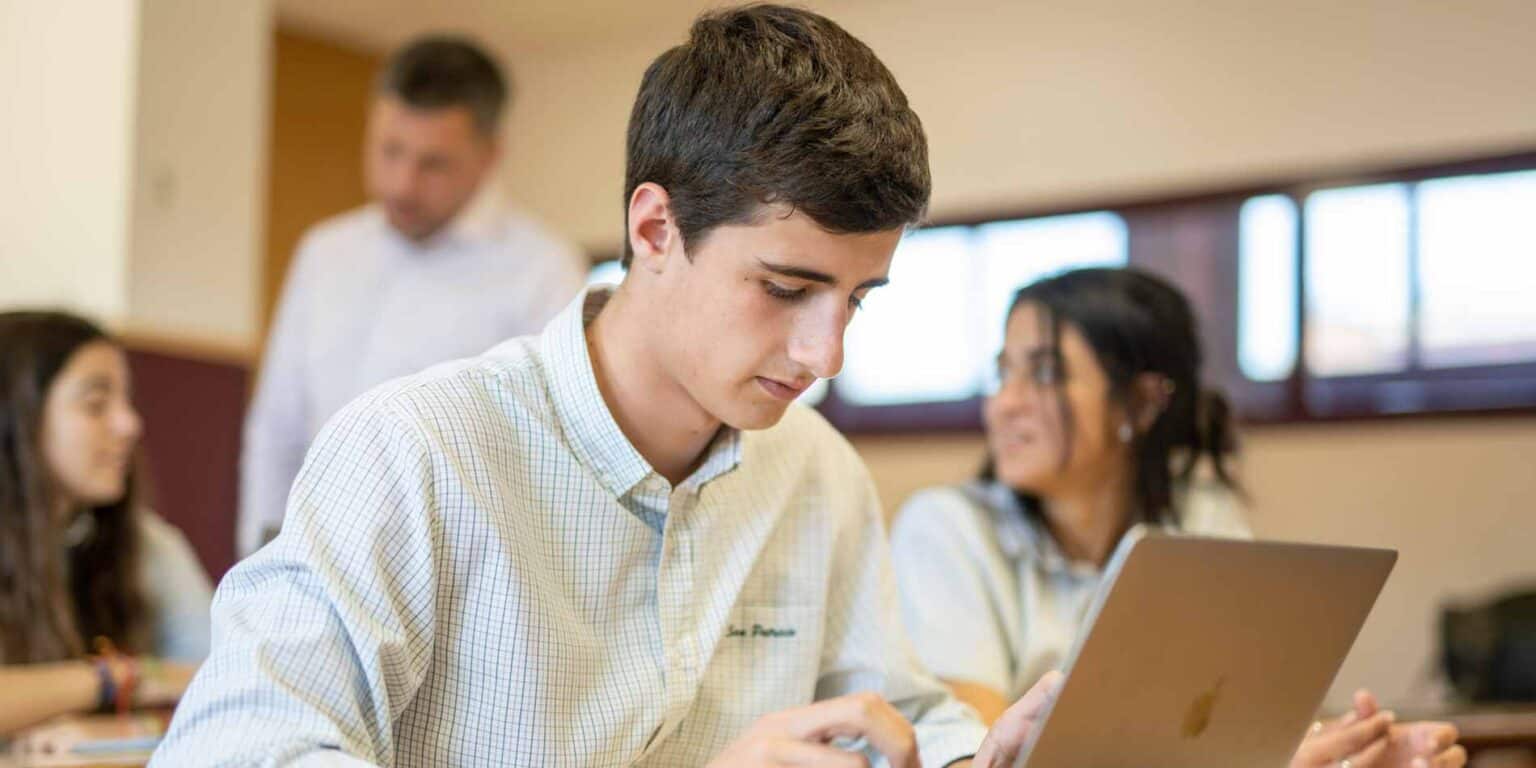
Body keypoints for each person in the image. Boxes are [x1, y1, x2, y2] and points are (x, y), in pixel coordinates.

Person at [152, 6, 1064, 766]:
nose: (826, 355)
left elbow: (886, 708)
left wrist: (977, 756)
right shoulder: (415, 452)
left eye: (857, 299)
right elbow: (236, 751)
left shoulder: (816, 472)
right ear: (656, 228)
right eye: (786, 289)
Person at [891, 267, 1467, 768]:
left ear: (1142, 403)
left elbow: (1241, 725)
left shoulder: (1202, 517)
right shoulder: (948, 530)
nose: (1003, 403)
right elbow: (983, 753)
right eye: (1003, 373)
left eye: (1042, 373)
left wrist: (1348, 750)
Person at [239, 34, 587, 556]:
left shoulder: (543, 270)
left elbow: (548, 457)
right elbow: (277, 432)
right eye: (389, 151)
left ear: (490, 156)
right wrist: (257, 559)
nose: (401, 184)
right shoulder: (325, 253)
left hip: (456, 567)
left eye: (434, 164)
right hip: (314, 554)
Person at [0, 311, 212, 737]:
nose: (129, 424)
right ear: (17, 415)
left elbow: (233, 682)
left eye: (126, 401)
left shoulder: (152, 547)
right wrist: (115, 679)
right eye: (96, 405)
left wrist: (106, 735)